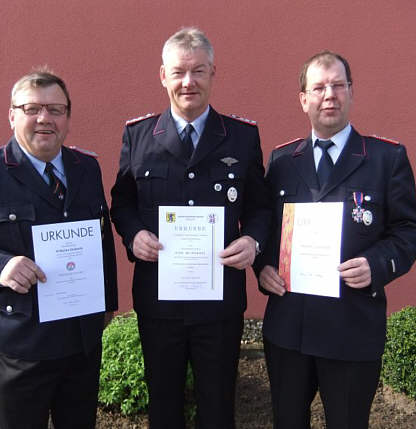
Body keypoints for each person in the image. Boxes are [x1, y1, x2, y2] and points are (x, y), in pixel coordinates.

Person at [0, 68, 118, 429]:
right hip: (23, 345)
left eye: (55, 109)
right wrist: (0, 266)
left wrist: (107, 302)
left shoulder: (86, 167)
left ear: (67, 118)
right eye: (32, 108)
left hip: (81, 340)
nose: (45, 118)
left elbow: (101, 237)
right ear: (12, 116)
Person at [255, 51, 416, 429]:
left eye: (338, 85)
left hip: (351, 328)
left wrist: (376, 264)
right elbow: (264, 226)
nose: (329, 95)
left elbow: (410, 230)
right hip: (289, 329)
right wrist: (263, 265)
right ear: (304, 99)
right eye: (318, 88)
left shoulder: (385, 158)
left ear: (351, 92)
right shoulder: (282, 161)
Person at [110, 27, 271, 428]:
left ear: (213, 73)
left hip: (220, 301)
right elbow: (122, 201)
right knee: (163, 405)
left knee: (218, 406)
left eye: (198, 71)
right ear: (163, 76)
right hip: (159, 301)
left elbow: (260, 205)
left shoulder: (241, 137)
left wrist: (253, 241)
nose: (188, 82)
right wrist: (134, 234)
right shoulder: (139, 136)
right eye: (179, 72)